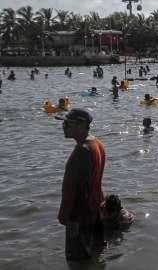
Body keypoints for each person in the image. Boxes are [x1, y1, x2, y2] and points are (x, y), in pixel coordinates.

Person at [57, 109, 106, 262]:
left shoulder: (83, 151)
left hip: (80, 215)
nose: (63, 126)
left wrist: (67, 215)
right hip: (95, 209)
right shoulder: (97, 143)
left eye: (67, 124)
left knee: (76, 260)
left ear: (81, 125)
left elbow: (81, 190)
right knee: (94, 255)